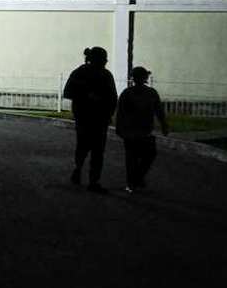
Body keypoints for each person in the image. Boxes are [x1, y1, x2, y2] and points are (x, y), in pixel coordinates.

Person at [62, 46, 118, 193]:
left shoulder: (84, 73)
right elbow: (68, 92)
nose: (105, 62)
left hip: (91, 117)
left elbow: (112, 98)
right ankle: (88, 177)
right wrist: (87, 95)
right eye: (103, 59)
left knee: (88, 147)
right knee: (93, 149)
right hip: (88, 117)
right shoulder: (93, 74)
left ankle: (84, 174)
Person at [115, 66, 169, 193]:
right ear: (144, 78)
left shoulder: (129, 93)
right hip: (140, 130)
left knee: (135, 157)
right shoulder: (148, 93)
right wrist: (164, 125)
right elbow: (159, 111)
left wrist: (119, 128)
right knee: (144, 155)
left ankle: (134, 180)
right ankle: (135, 179)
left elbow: (120, 113)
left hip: (134, 130)